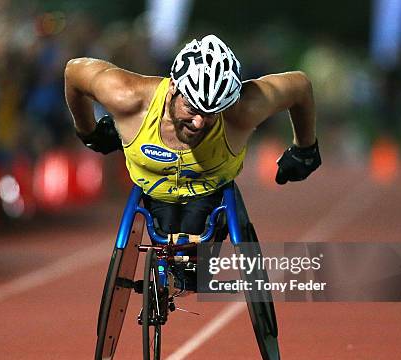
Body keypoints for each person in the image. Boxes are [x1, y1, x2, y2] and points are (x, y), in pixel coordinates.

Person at [64, 33, 320, 239]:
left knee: (195, 258)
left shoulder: (242, 110)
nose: (199, 122)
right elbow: (74, 72)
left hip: (210, 191)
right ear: (174, 87)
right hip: (153, 192)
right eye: (192, 108)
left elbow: (300, 86)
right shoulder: (127, 96)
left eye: (212, 113)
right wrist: (89, 131)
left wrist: (305, 149)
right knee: (171, 239)